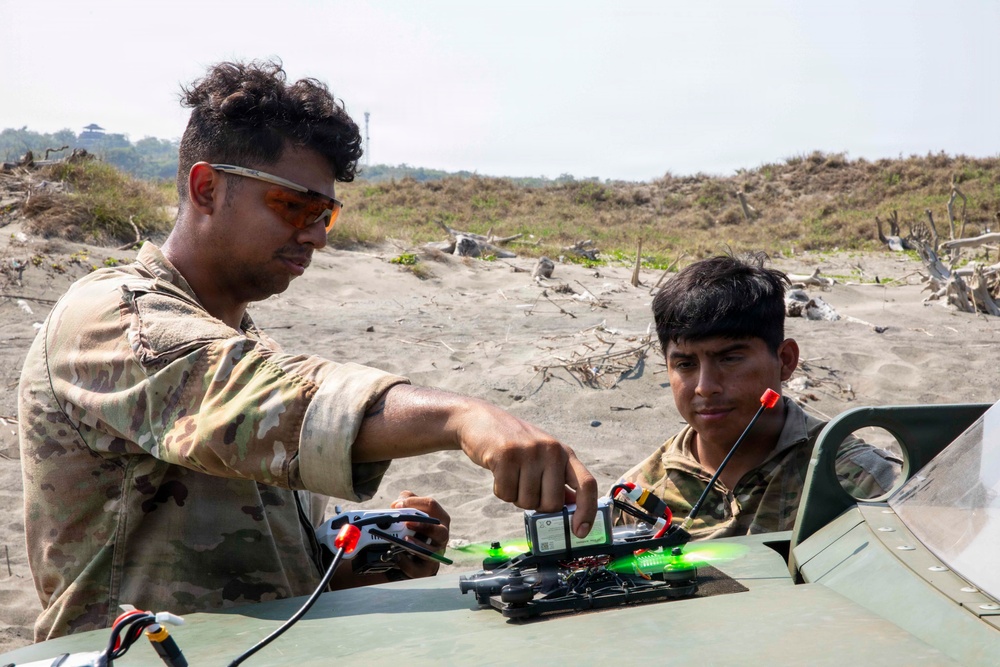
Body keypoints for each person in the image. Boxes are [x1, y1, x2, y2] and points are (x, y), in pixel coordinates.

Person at [17, 59, 597, 641]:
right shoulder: (112, 318)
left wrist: (364, 558)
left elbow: (257, 566)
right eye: (294, 206)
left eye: (325, 214)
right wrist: (465, 418)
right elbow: (266, 401)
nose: (316, 234)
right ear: (206, 188)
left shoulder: (248, 344)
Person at [616, 253, 900, 538]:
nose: (705, 386)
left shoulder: (861, 481)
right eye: (685, 365)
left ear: (786, 360)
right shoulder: (637, 498)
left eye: (729, 359)